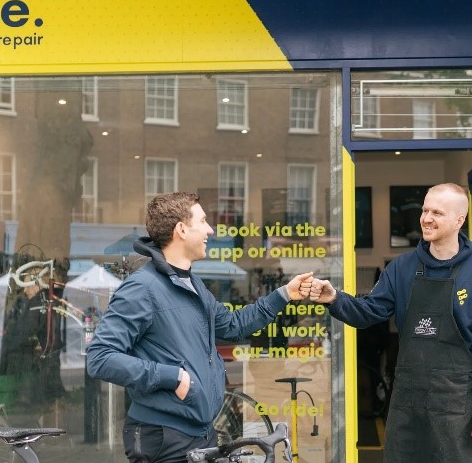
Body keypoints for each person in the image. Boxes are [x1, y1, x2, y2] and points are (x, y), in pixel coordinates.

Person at [86, 192, 313, 463]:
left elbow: (233, 326)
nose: (210, 229)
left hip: (201, 433)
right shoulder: (142, 288)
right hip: (165, 437)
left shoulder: (193, 284)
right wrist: (173, 377)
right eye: (203, 221)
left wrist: (285, 294)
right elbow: (100, 358)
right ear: (181, 229)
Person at [308, 183, 472, 462]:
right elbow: (368, 312)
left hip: (454, 410)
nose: (426, 218)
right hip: (406, 407)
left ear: (459, 220)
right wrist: (334, 299)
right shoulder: (401, 269)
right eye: (425, 210)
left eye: (437, 212)